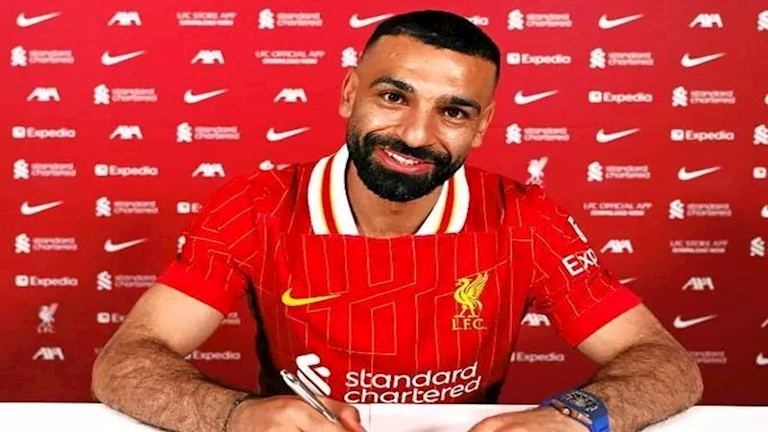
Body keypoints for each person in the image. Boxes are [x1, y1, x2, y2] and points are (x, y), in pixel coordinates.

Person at [91, 10, 703, 432]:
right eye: (393, 97)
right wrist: (234, 416)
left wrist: (573, 418)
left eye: (453, 112)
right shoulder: (256, 207)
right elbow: (126, 362)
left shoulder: (524, 217)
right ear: (349, 93)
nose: (415, 134)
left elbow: (665, 364)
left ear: (482, 126)